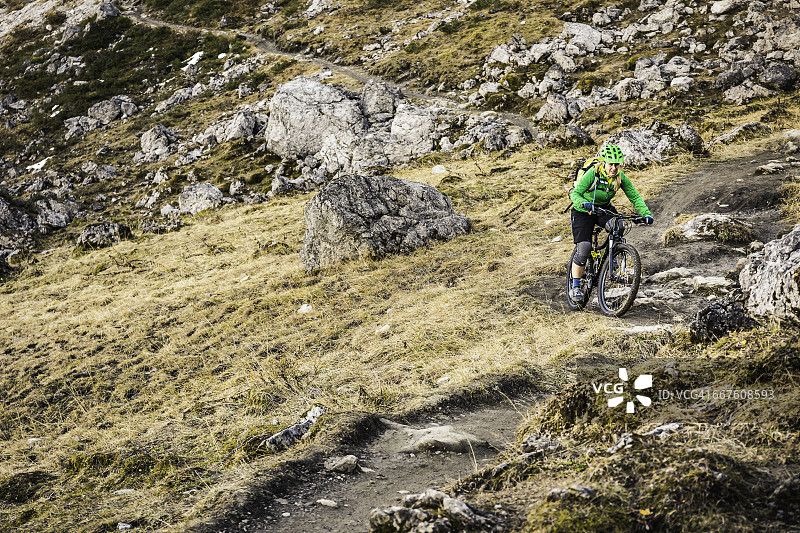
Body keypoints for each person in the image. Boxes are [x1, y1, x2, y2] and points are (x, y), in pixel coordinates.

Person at [568, 144, 654, 302]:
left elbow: (634, 196)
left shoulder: (620, 177)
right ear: (604, 162)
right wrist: (583, 204)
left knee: (619, 225)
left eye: (617, 164)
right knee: (584, 247)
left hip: (603, 209)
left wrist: (646, 214)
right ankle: (575, 287)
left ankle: (611, 254)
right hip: (583, 209)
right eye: (610, 164)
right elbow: (575, 193)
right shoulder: (593, 174)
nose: (614, 168)